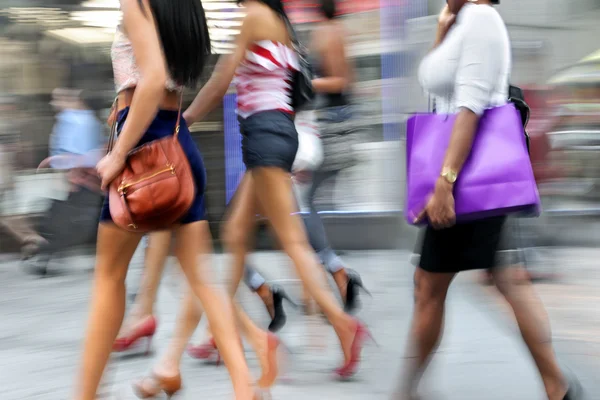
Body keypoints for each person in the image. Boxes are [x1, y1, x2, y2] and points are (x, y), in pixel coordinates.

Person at [395, 1, 581, 400]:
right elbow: (435, 83)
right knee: (503, 279)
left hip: (464, 175)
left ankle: (407, 392)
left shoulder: (481, 18)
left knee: (430, 284)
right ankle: (557, 386)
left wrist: (445, 181)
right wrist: (443, 30)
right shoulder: (460, 20)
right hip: (461, 172)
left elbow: (471, 106)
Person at [73, 0, 255, 399]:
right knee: (202, 277)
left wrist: (119, 152)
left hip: (144, 153)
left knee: (108, 277)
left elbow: (152, 78)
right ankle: (246, 388)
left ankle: (84, 394)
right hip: (176, 143)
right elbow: (162, 79)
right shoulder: (182, 4)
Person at [183, 0, 370, 380]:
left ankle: (344, 326)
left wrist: (181, 122)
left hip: (266, 135)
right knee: (235, 232)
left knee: (292, 242)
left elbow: (222, 80)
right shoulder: (278, 19)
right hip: (275, 132)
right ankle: (219, 333)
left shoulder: (253, 15)